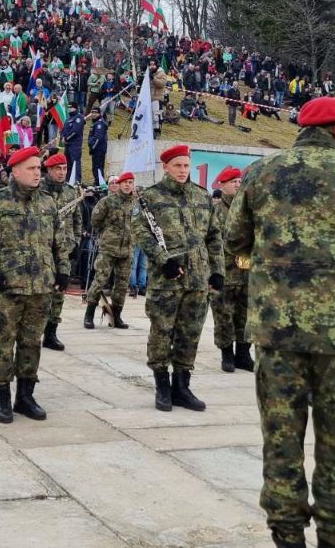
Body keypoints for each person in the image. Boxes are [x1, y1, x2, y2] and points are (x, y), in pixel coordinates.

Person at [224, 96, 335, 548]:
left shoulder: (262, 173)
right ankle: (332, 535)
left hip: (275, 331)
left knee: (281, 438)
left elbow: (234, 239)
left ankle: (286, 535)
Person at [0, 146, 69, 423]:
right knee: (3, 343)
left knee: (31, 343)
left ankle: (25, 397)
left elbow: (59, 241)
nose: (37, 173)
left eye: (39, 168)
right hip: (7, 288)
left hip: (40, 286)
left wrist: (62, 270)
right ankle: (2, 398)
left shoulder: (48, 202)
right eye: (31, 168)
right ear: (15, 171)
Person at [132, 144, 224, 413]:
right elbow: (141, 232)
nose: (183, 171)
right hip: (167, 280)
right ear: (166, 167)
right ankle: (162, 386)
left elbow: (214, 236)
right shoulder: (150, 197)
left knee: (190, 333)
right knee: (162, 332)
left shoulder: (201, 196)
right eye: (177, 166)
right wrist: (163, 260)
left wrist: (217, 271)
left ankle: (182, 387)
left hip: (197, 280)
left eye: (186, 166)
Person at [212, 166, 253, 373]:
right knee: (224, 315)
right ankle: (227, 354)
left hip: (248, 271)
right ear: (223, 185)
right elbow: (213, 240)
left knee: (246, 314)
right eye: (233, 182)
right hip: (226, 270)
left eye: (239, 181)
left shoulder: (248, 208)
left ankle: (243, 355)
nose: (238, 185)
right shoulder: (216, 211)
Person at [39, 152, 80, 350]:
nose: (62, 172)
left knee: (58, 292)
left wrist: (76, 242)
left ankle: (51, 333)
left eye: (64, 169)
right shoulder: (38, 190)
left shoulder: (71, 192)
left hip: (64, 250)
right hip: (42, 249)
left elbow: (77, 219)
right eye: (58, 169)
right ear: (48, 170)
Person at [84, 172, 134, 328]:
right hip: (108, 247)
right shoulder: (107, 201)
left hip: (127, 249)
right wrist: (105, 234)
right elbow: (95, 220)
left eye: (130, 182)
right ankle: (89, 314)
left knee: (122, 284)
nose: (127, 185)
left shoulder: (136, 203)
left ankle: (116, 316)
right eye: (124, 182)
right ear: (118, 184)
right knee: (100, 279)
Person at [87, 106, 108, 184]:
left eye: (96, 112)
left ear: (99, 113)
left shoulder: (99, 124)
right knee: (97, 167)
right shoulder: (96, 122)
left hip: (98, 149)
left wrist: (92, 147)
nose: (94, 114)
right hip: (98, 149)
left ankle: (99, 183)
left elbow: (98, 138)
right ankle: (98, 182)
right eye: (92, 112)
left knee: (97, 168)